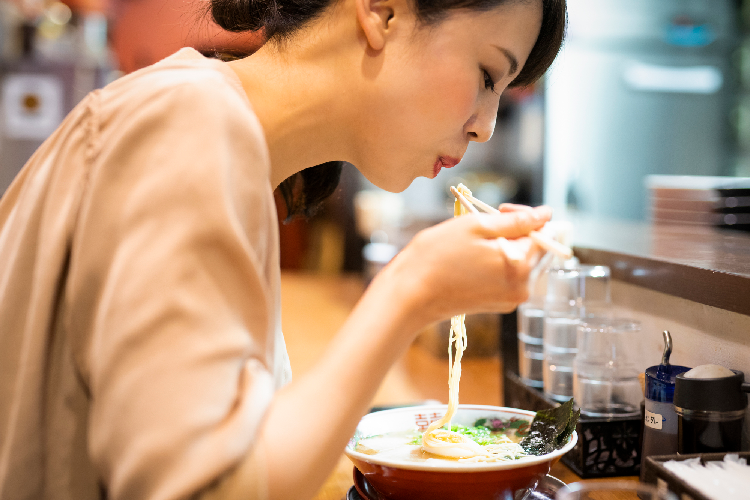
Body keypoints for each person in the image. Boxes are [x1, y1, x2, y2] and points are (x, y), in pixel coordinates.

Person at [0, 0, 566, 498]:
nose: (487, 128)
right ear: (381, 11)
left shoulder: (223, 135)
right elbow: (206, 489)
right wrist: (411, 290)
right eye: (489, 74)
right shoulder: (188, 125)